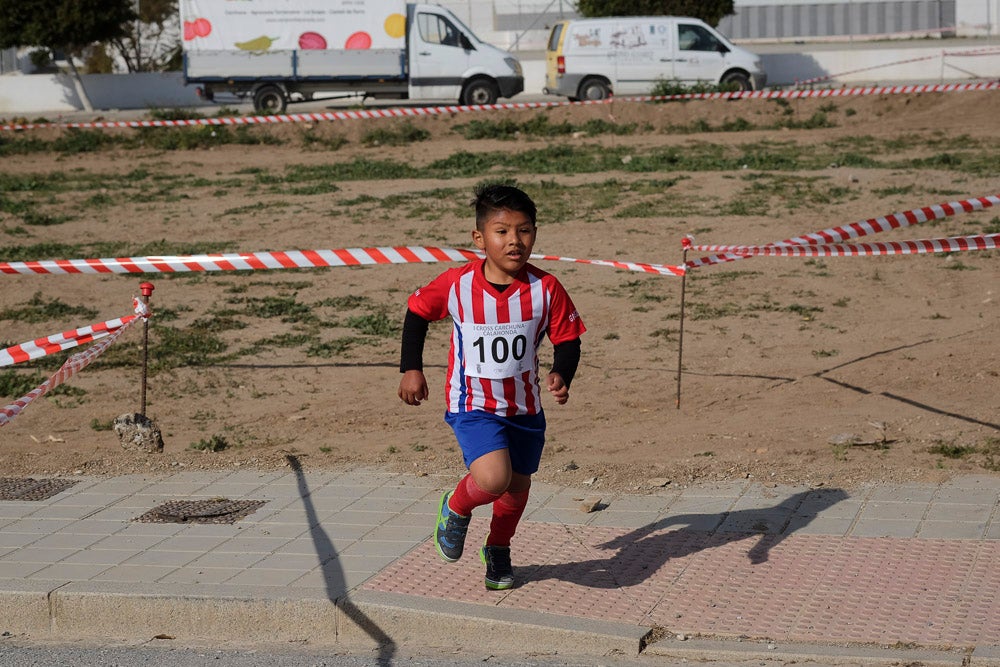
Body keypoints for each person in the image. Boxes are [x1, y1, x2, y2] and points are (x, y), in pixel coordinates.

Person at [397, 183, 585, 590]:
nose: (515, 241)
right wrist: (411, 369)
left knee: (517, 487)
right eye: (503, 231)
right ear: (479, 238)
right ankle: (456, 506)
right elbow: (416, 314)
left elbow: (568, 339)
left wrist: (561, 374)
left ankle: (498, 550)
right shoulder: (456, 284)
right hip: (473, 405)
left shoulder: (546, 288)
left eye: (525, 230)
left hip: (525, 409)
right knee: (494, 478)